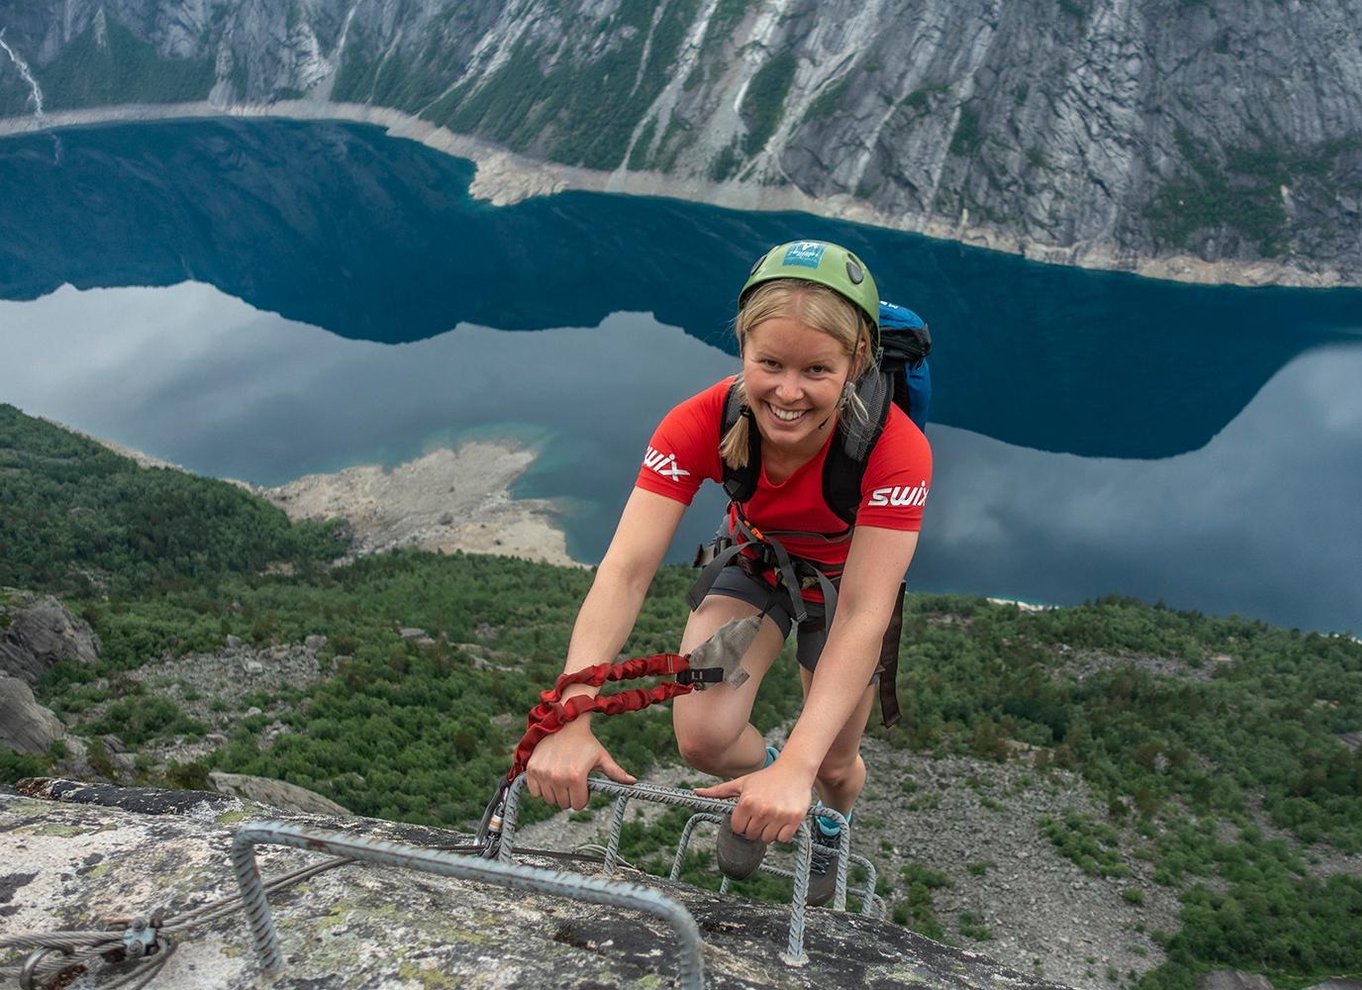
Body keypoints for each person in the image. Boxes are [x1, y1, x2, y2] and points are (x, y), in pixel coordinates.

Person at [525, 239, 931, 905]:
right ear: (742, 348)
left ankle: (828, 817)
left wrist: (805, 763)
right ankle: (768, 780)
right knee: (704, 737)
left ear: (857, 362)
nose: (788, 392)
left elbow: (864, 613)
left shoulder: (895, 451)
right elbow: (626, 570)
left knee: (832, 759)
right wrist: (569, 711)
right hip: (756, 565)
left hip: (843, 588)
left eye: (816, 370)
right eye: (769, 363)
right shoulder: (700, 421)